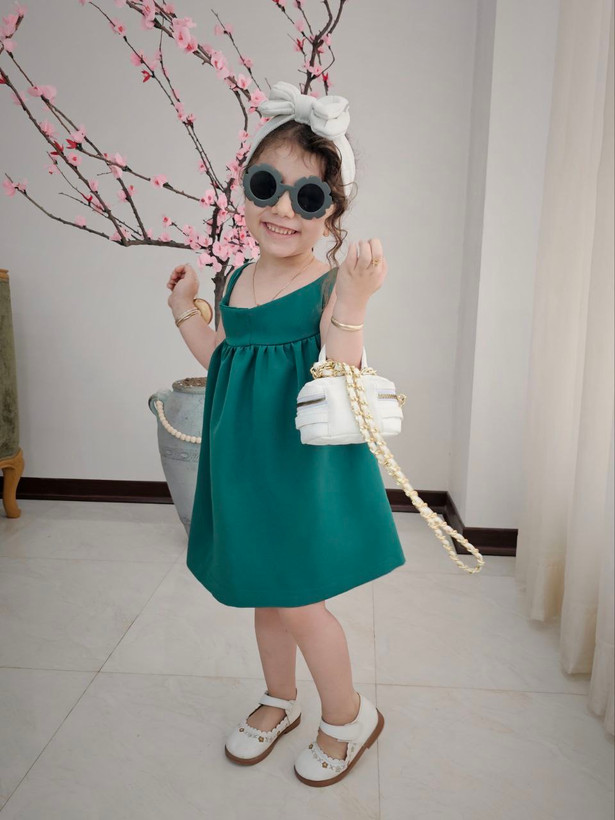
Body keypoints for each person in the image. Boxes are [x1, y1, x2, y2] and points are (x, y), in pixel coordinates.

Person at [165, 82, 406, 787]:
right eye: (267, 187)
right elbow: (224, 359)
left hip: (299, 469)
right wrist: (183, 310)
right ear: (244, 188)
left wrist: (355, 298)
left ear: (331, 213)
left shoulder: (324, 286)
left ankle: (348, 715)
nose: (282, 210)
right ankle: (280, 697)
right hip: (246, 465)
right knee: (265, 591)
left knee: (300, 600)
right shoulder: (236, 279)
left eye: (308, 197)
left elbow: (341, 363)